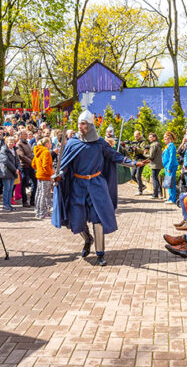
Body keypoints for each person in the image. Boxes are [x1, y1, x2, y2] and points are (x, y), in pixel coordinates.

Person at [52, 111, 133, 267]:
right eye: (79, 124)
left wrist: (133, 163)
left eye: (83, 124)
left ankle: (100, 254)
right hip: (78, 186)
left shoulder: (99, 143)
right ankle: (88, 239)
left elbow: (114, 156)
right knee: (77, 219)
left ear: (90, 126)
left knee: (98, 219)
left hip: (96, 185)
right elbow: (65, 165)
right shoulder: (72, 143)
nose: (80, 127)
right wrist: (59, 175)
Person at [33, 136, 54, 219]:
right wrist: (51, 174)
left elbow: (33, 164)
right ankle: (42, 213)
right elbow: (46, 165)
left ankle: (38, 211)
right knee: (44, 194)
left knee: (39, 193)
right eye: (50, 143)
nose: (51, 144)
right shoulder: (46, 152)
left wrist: (39, 169)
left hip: (39, 175)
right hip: (45, 176)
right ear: (46, 144)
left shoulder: (38, 151)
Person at [16, 132, 36, 208]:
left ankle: (32, 200)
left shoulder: (27, 143)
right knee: (24, 184)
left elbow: (31, 153)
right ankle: (24, 201)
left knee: (35, 182)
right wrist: (32, 162)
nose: (26, 135)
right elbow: (22, 156)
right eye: (24, 134)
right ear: (20, 135)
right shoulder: (19, 144)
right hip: (24, 166)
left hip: (31, 166)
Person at [0, 136, 18, 212]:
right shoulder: (4, 150)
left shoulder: (14, 150)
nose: (11, 143)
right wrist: (14, 169)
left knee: (10, 189)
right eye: (10, 142)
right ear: (6, 142)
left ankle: (9, 204)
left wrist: (18, 168)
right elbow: (6, 161)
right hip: (6, 171)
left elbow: (17, 160)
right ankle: (5, 205)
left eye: (12, 142)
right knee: (6, 189)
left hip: (13, 172)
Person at [162, 131, 179, 203]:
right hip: (166, 166)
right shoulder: (167, 146)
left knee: (170, 183)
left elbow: (172, 157)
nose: (165, 139)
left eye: (166, 138)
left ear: (170, 138)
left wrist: (169, 167)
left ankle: (173, 199)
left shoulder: (172, 146)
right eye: (164, 138)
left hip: (171, 167)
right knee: (168, 182)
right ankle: (170, 197)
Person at [145, 132, 163, 198]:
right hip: (159, 164)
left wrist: (144, 154)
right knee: (156, 178)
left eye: (150, 137)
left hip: (155, 164)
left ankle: (155, 194)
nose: (149, 138)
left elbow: (151, 156)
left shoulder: (153, 145)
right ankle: (160, 193)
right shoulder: (158, 144)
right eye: (149, 137)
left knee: (154, 178)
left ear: (154, 138)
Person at [129, 130, 146, 194]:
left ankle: (140, 190)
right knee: (132, 175)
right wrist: (129, 149)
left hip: (141, 160)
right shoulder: (135, 142)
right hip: (135, 160)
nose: (135, 137)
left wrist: (136, 149)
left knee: (138, 175)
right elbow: (131, 152)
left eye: (136, 136)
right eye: (135, 136)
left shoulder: (143, 141)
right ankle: (142, 186)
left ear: (139, 135)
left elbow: (142, 151)